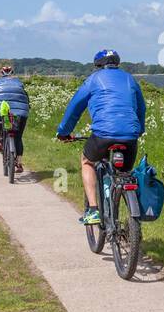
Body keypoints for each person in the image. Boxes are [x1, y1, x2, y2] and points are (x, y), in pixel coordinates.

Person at [55, 50, 146, 225]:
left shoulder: (93, 80)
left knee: (87, 161)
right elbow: (141, 108)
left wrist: (64, 132)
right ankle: (128, 218)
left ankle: (94, 210)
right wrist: (139, 129)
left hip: (103, 135)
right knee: (124, 174)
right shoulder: (130, 79)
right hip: (130, 137)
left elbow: (74, 108)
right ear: (117, 63)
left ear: (97, 65)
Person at [0, 64, 31, 173]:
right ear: (13, 74)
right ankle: (19, 163)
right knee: (18, 137)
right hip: (20, 113)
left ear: (1, 74)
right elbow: (26, 97)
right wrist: (27, 107)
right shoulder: (19, 83)